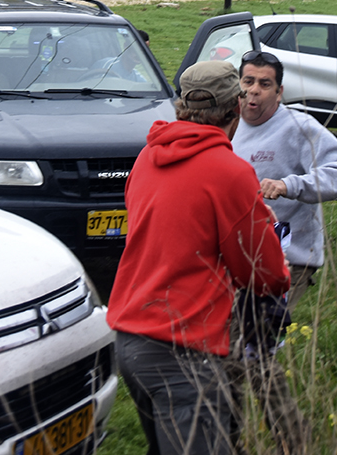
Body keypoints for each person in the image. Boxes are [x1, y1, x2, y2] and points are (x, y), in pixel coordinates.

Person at [106, 60, 290, 455]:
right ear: (236, 108)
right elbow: (264, 274)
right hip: (183, 349)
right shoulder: (230, 172)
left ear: (179, 109)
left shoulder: (146, 159)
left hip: (130, 340)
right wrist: (262, 224)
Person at [232, 50, 337, 312]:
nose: (254, 90)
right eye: (248, 81)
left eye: (264, 84)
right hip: (236, 255)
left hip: (287, 256)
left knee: (254, 341)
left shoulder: (298, 126)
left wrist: (289, 185)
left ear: (279, 92)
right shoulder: (228, 123)